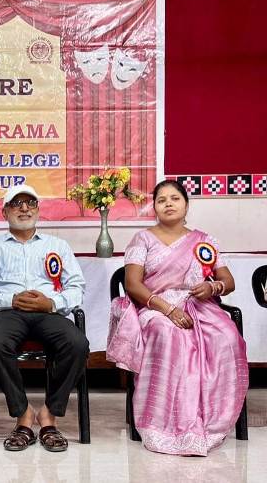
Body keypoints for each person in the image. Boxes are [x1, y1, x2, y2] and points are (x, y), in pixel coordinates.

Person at [107, 180, 248, 456]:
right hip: (156, 308)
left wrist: (212, 287)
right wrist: (168, 310)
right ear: (154, 208)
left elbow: (228, 281)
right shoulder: (142, 239)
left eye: (174, 198)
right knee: (168, 333)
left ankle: (213, 418)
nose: (168, 204)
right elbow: (133, 284)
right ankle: (163, 421)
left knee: (227, 336)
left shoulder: (204, 241)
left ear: (186, 205)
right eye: (161, 200)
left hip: (200, 306)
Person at [0, 184, 88, 452]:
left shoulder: (57, 246)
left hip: (47, 312)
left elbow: (77, 287)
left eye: (30, 203)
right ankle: (23, 415)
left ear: (38, 210)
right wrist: (10, 300)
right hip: (8, 313)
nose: (24, 208)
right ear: (4, 212)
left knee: (77, 344)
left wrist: (52, 303)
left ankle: (49, 415)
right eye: (16, 203)